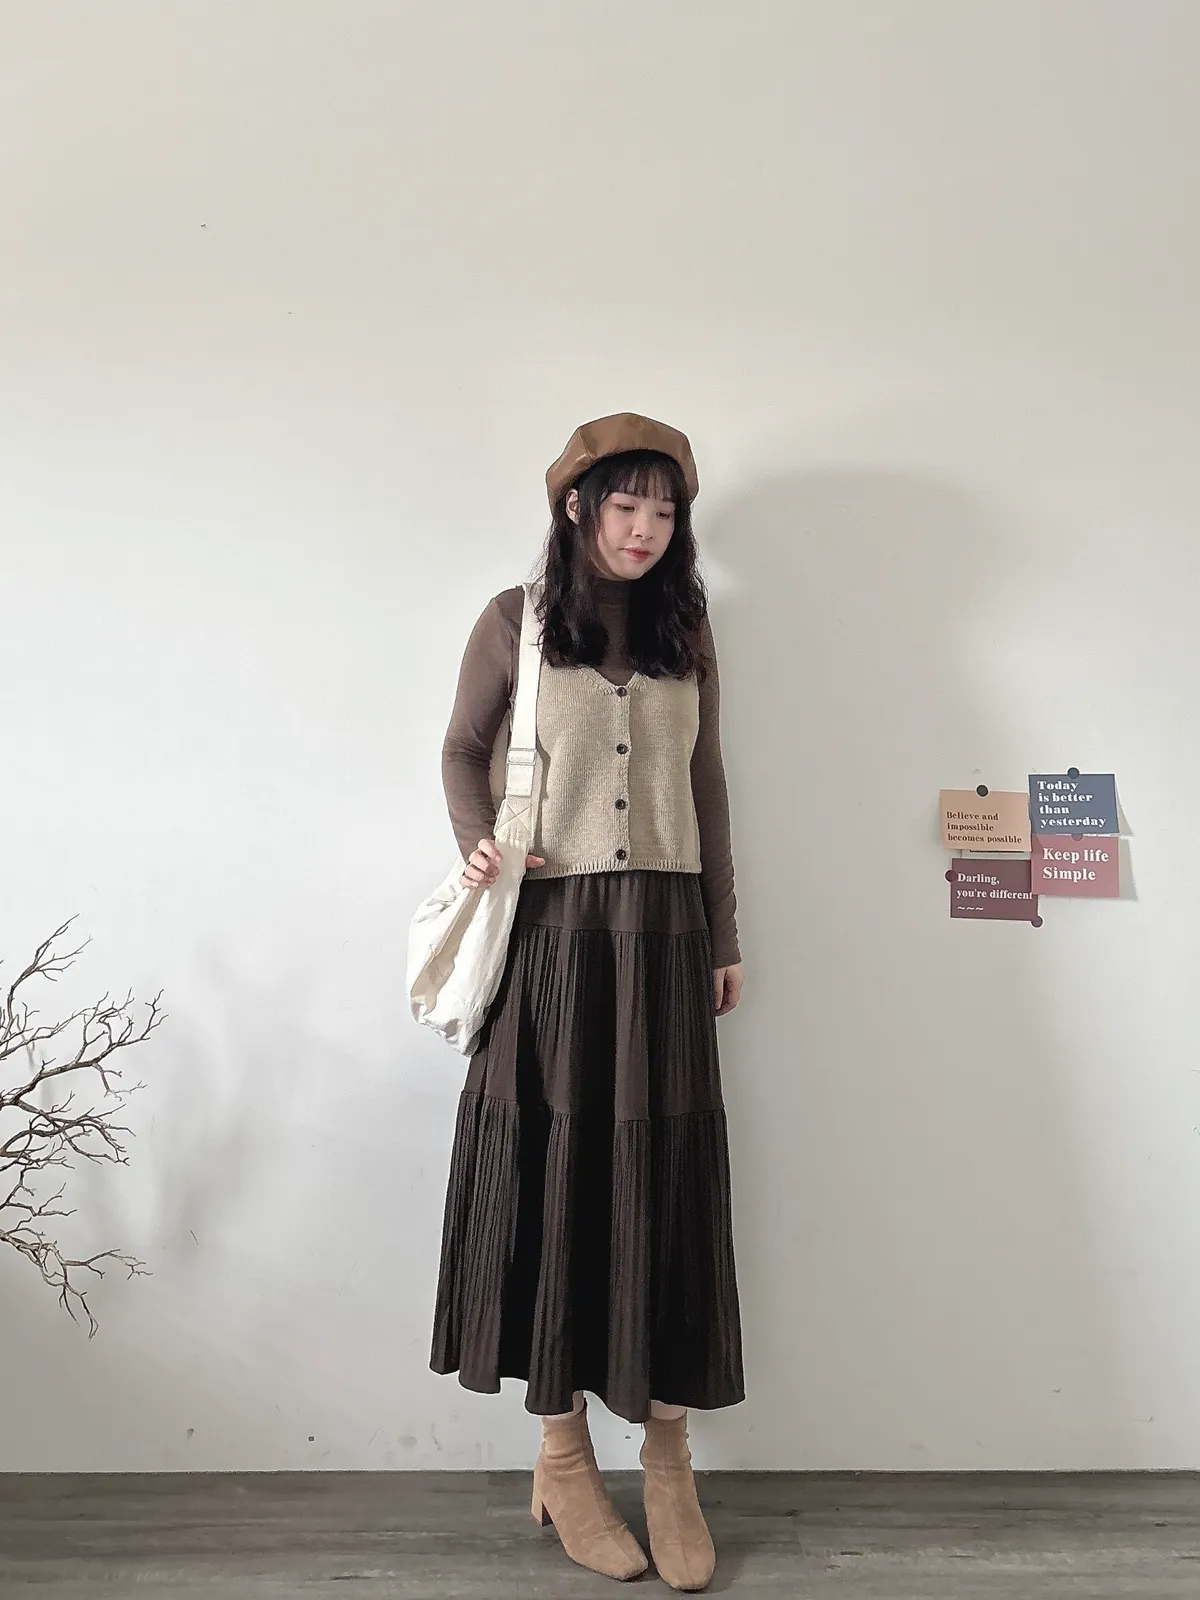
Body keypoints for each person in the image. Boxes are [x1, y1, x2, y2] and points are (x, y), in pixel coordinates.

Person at [430, 412, 745, 1591]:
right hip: (550, 942)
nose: (646, 528)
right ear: (577, 507)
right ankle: (562, 1456)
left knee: (662, 1186)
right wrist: (478, 844)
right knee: (553, 1180)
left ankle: (668, 1459)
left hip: (663, 941)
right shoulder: (513, 621)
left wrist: (723, 932)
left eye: (665, 510)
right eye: (626, 505)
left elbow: (707, 782)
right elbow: (460, 749)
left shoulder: (687, 628)